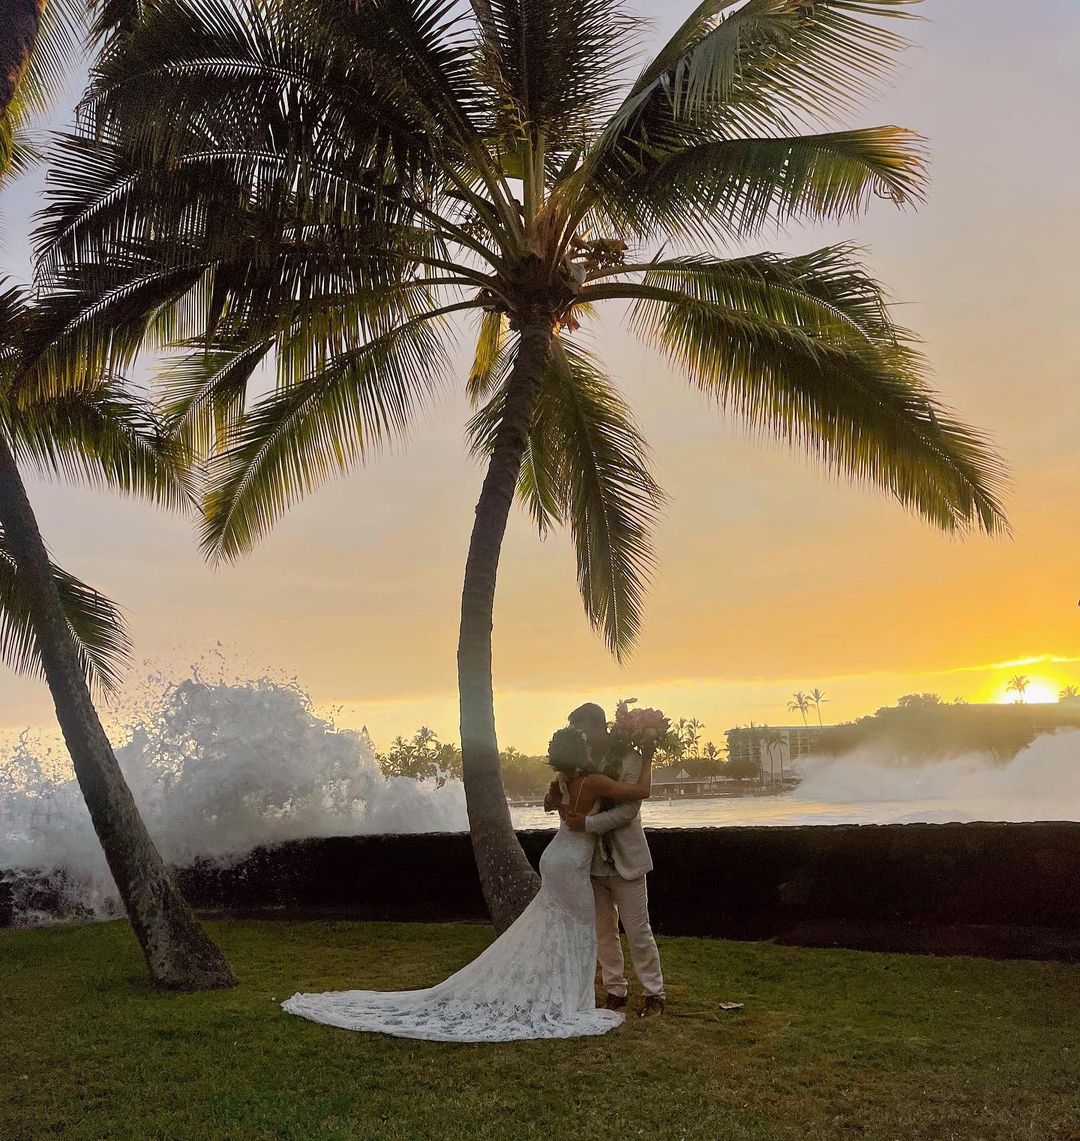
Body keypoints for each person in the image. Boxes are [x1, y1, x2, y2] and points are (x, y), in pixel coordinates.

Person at [282, 727, 652, 1042]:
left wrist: (562, 805)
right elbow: (641, 792)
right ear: (582, 752)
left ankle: (573, 994)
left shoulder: (564, 781)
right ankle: (575, 1001)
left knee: (559, 928)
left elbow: (546, 804)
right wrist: (647, 753)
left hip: (555, 856)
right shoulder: (596, 781)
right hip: (571, 862)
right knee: (580, 930)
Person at [545, 702, 665, 1017]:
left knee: (638, 931)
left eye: (580, 729)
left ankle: (655, 993)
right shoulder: (576, 767)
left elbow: (630, 809)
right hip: (590, 862)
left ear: (598, 727)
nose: (578, 735)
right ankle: (615, 990)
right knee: (603, 931)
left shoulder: (629, 759)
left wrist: (588, 824)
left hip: (625, 858)